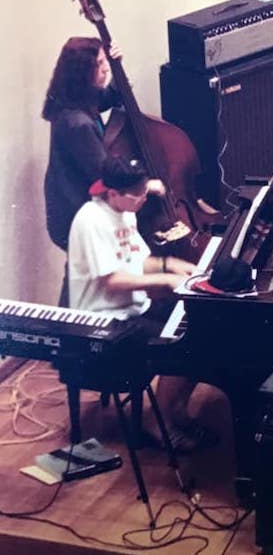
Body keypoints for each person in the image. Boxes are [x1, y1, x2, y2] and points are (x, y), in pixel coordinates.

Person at [67, 155, 212, 452]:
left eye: (145, 192)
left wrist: (171, 264)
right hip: (103, 318)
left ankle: (176, 411)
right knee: (179, 345)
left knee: (204, 330)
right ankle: (157, 423)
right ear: (112, 193)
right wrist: (166, 282)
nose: (143, 200)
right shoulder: (90, 220)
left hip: (133, 308)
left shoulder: (126, 211)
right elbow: (112, 280)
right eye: (138, 195)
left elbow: (140, 260)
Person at [42, 37, 163, 305]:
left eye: (104, 61)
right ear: (82, 72)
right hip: (73, 211)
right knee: (82, 275)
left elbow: (114, 96)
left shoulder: (78, 99)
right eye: (99, 64)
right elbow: (105, 172)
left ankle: (72, 325)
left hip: (74, 204)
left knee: (79, 275)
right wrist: (146, 185)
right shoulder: (76, 123)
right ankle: (73, 329)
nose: (105, 68)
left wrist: (118, 66)